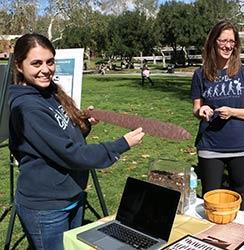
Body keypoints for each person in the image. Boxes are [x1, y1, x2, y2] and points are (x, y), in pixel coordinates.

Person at [8, 33, 145, 250]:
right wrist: (121, 144)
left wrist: (85, 123)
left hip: (70, 196)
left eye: (50, 61)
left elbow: (63, 137)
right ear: (19, 65)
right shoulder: (28, 108)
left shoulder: (48, 93)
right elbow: (72, 154)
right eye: (36, 63)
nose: (46, 69)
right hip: (46, 207)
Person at [191, 20, 244, 211]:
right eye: (223, 41)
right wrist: (201, 111)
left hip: (242, 146)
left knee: (240, 201)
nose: (227, 46)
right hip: (210, 146)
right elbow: (196, 108)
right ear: (213, 43)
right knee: (211, 200)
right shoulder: (200, 74)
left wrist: (232, 112)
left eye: (231, 41)